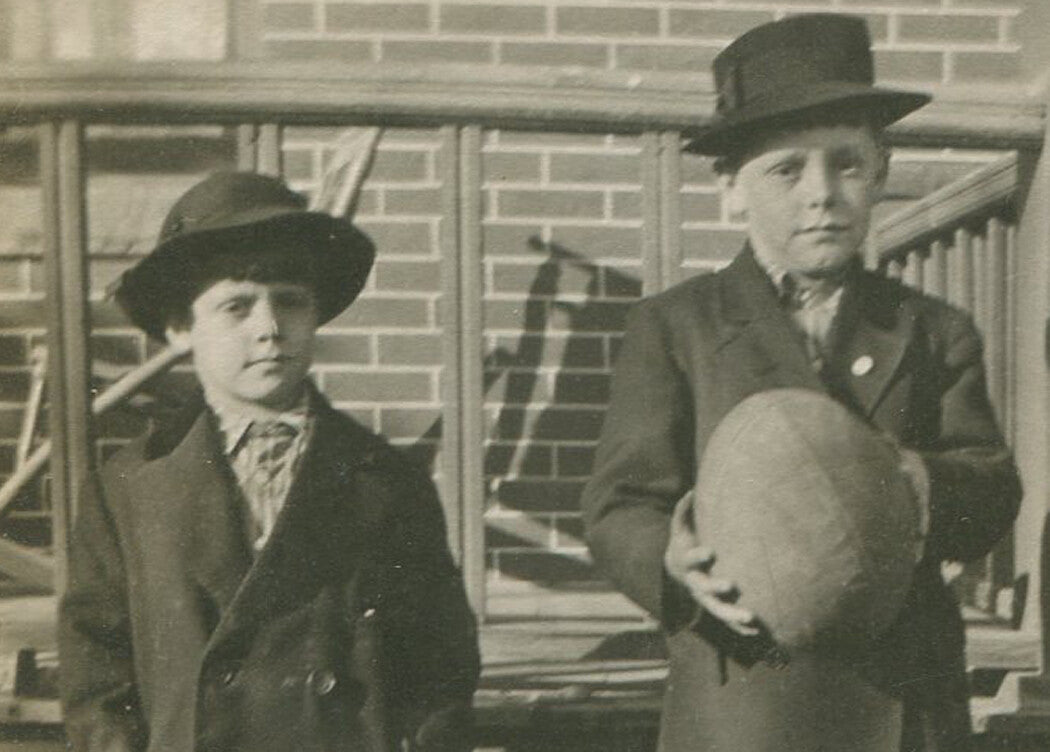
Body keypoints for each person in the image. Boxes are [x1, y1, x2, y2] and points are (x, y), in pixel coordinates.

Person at [581, 13, 1022, 752]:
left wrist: (915, 482)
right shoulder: (676, 327)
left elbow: (991, 486)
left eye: (846, 163)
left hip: (902, 698)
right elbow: (619, 503)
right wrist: (669, 558)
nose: (822, 193)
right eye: (787, 170)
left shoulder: (932, 328)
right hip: (745, 688)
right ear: (731, 189)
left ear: (879, 172)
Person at [59, 172, 480, 752]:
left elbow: (441, 668)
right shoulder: (128, 489)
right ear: (182, 329)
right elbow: (98, 677)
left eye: (290, 301)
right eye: (236, 306)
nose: (270, 328)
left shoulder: (385, 481)